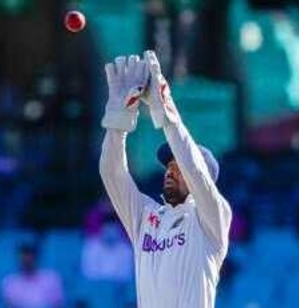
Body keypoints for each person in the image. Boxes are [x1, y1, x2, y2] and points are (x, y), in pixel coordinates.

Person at [99, 50, 232, 308]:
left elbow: (194, 169)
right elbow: (111, 173)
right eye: (168, 166)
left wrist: (167, 113)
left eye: (178, 166)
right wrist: (118, 121)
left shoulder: (212, 219)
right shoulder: (146, 217)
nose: (170, 170)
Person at [1, 242, 64, 308]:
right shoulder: (10, 282)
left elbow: (57, 305)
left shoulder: (52, 278)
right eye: (23, 257)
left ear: (36, 258)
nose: (27, 260)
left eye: (29, 256)